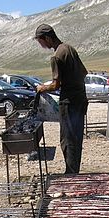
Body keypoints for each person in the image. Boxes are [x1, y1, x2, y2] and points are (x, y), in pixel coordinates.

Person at [34, 24, 88, 174]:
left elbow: (56, 85)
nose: (41, 45)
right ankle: (74, 171)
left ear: (47, 38)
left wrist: (42, 88)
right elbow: (84, 72)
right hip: (80, 99)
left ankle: (71, 174)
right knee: (76, 138)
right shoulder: (69, 49)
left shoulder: (57, 56)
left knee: (67, 139)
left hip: (69, 103)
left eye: (41, 42)